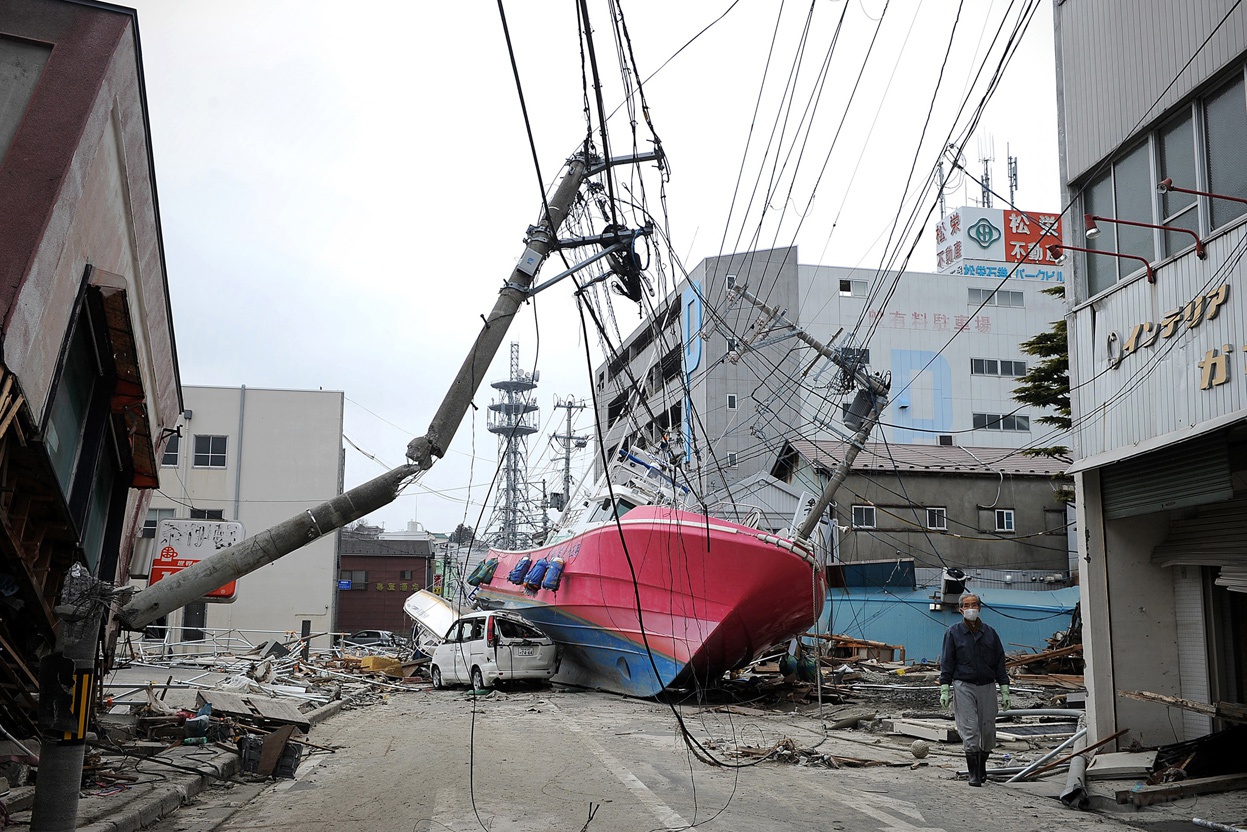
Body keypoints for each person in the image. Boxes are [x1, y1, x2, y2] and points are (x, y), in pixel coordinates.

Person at [939, 593, 1010, 787]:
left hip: (987, 685)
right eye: (967, 605)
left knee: (988, 731)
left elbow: (999, 662)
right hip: (964, 685)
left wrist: (1004, 688)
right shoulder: (953, 633)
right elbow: (947, 661)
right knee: (970, 729)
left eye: (974, 605)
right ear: (961, 609)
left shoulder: (990, 633)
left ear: (979, 608)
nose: (971, 608)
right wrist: (944, 687)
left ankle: (981, 767)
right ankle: (973, 774)